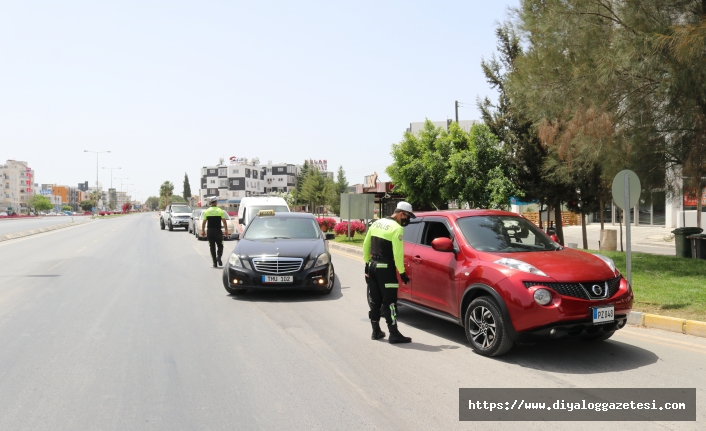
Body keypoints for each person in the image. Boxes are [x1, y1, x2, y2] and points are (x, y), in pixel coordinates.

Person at [363, 201, 415, 344]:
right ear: (401, 214)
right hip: (385, 268)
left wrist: (367, 264)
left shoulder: (377, 223)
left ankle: (375, 331)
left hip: (373, 266)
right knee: (390, 302)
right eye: (408, 216)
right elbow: (398, 254)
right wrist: (402, 273)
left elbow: (366, 244)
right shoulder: (397, 228)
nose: (408, 220)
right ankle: (394, 334)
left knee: (375, 301)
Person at [201, 196, 229, 267]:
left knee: (212, 247)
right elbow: (224, 221)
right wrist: (226, 230)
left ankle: (214, 263)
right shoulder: (220, 210)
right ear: (216, 202)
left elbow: (204, 222)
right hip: (218, 231)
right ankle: (218, 256)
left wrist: (203, 231)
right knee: (220, 245)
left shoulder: (207, 211)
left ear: (210, 202)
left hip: (209, 231)